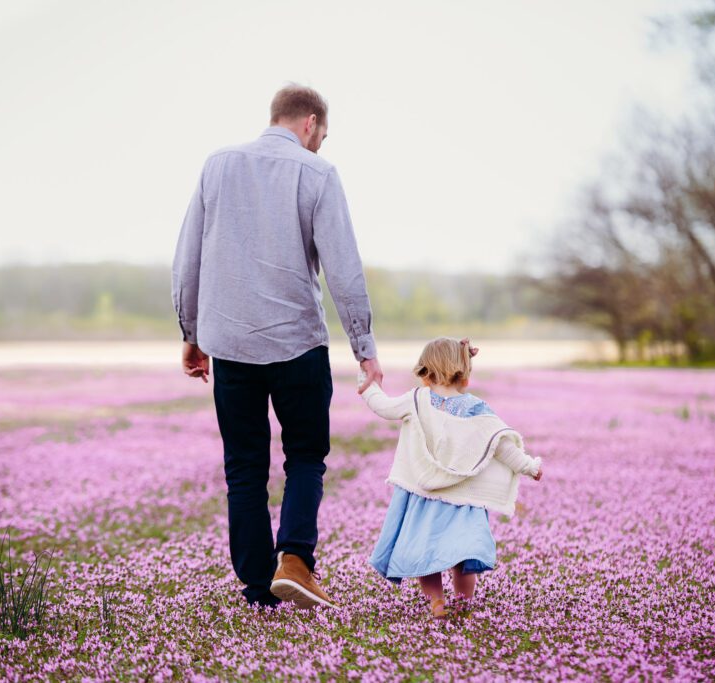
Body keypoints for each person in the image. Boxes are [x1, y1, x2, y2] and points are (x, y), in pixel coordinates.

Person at [171, 84, 383, 609]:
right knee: (306, 456)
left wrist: (192, 334)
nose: (319, 146)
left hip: (232, 345)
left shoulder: (216, 166)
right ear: (310, 123)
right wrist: (364, 346)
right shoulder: (317, 173)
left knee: (243, 466)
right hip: (297, 346)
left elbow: (187, 260)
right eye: (322, 137)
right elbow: (344, 267)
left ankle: (256, 587)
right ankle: (294, 559)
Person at [359, 337, 543, 618]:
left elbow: (382, 406)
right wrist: (529, 466)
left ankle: (436, 602)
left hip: (423, 498)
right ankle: (463, 604)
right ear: (464, 374)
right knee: (463, 557)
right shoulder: (477, 409)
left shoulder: (416, 400)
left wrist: (367, 379)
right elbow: (502, 447)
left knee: (426, 556)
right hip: (463, 500)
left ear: (425, 372)